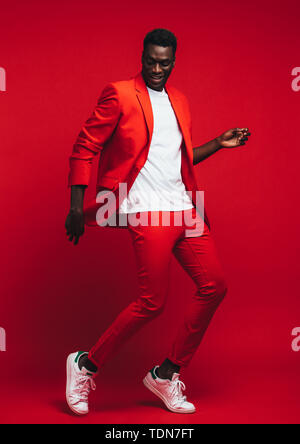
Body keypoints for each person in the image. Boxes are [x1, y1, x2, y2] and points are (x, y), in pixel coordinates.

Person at [65, 28, 251, 416]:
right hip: (147, 209)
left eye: (164, 63)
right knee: (152, 302)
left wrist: (217, 143)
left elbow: (176, 161)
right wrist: (77, 206)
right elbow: (85, 145)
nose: (155, 68)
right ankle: (85, 363)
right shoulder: (119, 93)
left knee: (214, 286)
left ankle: (166, 374)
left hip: (184, 206)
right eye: (150, 60)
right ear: (142, 56)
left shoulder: (179, 100)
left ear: (173, 63)